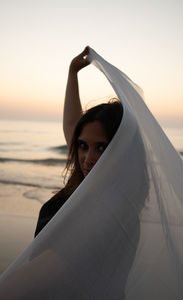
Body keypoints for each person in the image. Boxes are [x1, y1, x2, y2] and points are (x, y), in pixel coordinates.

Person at [34, 47, 123, 237]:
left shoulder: (107, 212)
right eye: (83, 146)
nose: (88, 159)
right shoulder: (86, 183)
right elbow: (71, 124)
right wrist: (73, 72)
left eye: (101, 148)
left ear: (120, 148)